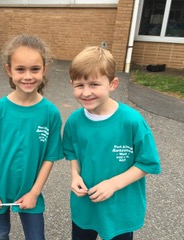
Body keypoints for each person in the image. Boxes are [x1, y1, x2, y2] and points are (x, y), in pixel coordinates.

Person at [63, 46, 161, 240]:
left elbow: (147, 162)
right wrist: (75, 175)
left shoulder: (131, 121)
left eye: (94, 84)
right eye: (79, 85)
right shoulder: (74, 121)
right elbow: (72, 152)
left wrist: (113, 184)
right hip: (86, 205)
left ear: (113, 84)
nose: (86, 92)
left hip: (120, 209)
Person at [0, 34, 64, 240]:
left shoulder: (50, 113)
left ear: (44, 69)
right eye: (20, 69)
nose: (28, 76)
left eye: (34, 69)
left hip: (30, 192)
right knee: (0, 233)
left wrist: (34, 193)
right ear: (9, 70)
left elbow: (49, 159)